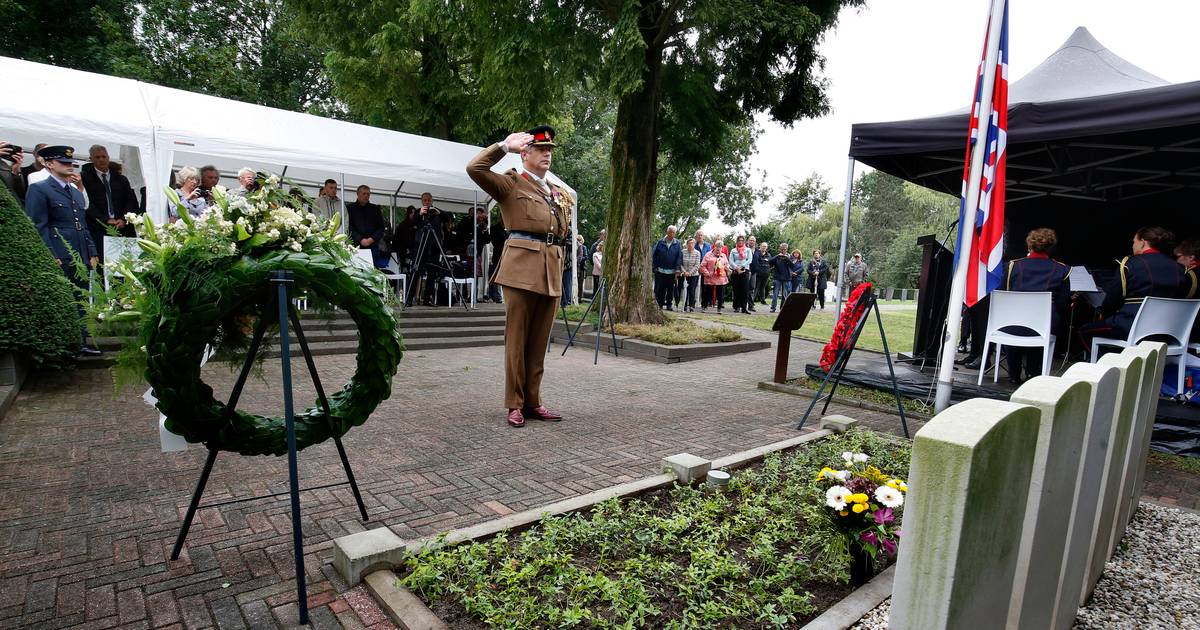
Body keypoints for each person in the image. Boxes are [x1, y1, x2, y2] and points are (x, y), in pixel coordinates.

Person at [466, 125, 570, 428]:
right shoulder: (511, 183)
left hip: (551, 270)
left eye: (549, 150)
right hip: (521, 269)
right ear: (525, 153)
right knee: (517, 339)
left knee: (538, 342)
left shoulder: (558, 192)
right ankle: (514, 403)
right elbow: (475, 168)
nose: (547, 154)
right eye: (540, 149)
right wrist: (502, 146)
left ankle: (534, 401)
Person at [23, 146, 101, 356]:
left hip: (80, 251)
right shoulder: (39, 189)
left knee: (81, 296)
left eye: (70, 163)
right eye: (63, 163)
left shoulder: (75, 192)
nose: (69, 166)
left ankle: (81, 340)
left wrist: (92, 250)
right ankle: (65, 343)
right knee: (63, 297)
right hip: (59, 250)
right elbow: (38, 225)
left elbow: (82, 224)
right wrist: (50, 253)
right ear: (49, 164)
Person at [1079, 226, 1186, 357]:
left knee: (1084, 331)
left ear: (1143, 242)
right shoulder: (1181, 269)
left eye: (1134, 242)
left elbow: (1112, 300)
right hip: (1168, 331)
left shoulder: (1129, 264)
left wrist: (1103, 312)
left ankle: (1110, 365)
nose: (1133, 245)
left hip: (1131, 327)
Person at [999, 228, 1071, 384]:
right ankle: (1033, 373)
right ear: (1051, 247)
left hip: (1013, 325)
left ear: (1029, 246)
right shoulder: (1062, 269)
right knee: (1046, 322)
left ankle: (1014, 374)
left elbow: (1003, 293)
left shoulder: (1013, 266)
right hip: (1043, 326)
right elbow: (1063, 303)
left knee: (1014, 323)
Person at [82, 145, 140, 259]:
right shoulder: (86, 178)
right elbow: (86, 203)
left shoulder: (120, 179)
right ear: (91, 159)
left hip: (122, 228)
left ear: (108, 157)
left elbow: (130, 201)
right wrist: (105, 220)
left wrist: (124, 219)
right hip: (99, 228)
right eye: (97, 157)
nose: (101, 160)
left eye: (104, 156)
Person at [347, 185, 389, 269]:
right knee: (357, 272)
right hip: (356, 246)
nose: (366, 196)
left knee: (373, 272)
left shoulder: (375, 209)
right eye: (364, 193)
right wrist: (360, 239)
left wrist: (371, 239)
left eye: (368, 194)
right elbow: (348, 226)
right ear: (358, 194)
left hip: (373, 247)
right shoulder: (350, 208)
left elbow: (381, 227)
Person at [652, 225, 683, 311]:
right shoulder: (660, 242)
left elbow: (679, 257)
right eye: (670, 232)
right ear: (667, 232)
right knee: (660, 288)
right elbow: (654, 255)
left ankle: (669, 304)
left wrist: (677, 270)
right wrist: (655, 267)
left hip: (672, 271)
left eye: (673, 232)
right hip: (660, 270)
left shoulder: (677, 243)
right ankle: (660, 304)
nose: (672, 234)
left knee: (670, 289)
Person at [699, 238, 730, 313]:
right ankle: (704, 306)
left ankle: (719, 308)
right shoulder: (708, 254)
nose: (719, 248)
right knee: (707, 293)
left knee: (720, 294)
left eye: (720, 247)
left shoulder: (723, 256)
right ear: (714, 247)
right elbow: (702, 266)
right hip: (710, 277)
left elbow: (727, 264)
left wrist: (727, 268)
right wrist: (707, 273)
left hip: (721, 278)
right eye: (717, 246)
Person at [728, 235, 753, 314]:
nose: (740, 242)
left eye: (742, 240)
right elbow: (731, 261)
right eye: (739, 240)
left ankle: (744, 308)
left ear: (744, 241)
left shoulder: (748, 250)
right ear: (737, 241)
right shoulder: (733, 250)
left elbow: (749, 260)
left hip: (744, 270)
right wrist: (736, 268)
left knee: (745, 290)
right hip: (736, 271)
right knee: (736, 289)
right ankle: (737, 306)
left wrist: (742, 266)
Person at [680, 238, 701, 312]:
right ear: (687, 244)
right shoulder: (683, 252)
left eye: (692, 243)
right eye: (689, 243)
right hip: (684, 274)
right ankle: (684, 305)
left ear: (694, 244)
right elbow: (680, 263)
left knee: (692, 291)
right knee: (684, 290)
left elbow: (697, 264)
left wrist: (690, 273)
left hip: (694, 275)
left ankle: (691, 306)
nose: (691, 245)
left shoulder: (697, 253)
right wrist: (684, 272)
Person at [770, 243, 793, 313]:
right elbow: (769, 262)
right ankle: (773, 308)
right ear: (780, 249)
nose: (783, 251)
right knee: (775, 294)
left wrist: (787, 259)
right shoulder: (777, 257)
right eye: (782, 249)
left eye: (785, 249)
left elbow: (793, 265)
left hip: (786, 278)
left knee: (784, 295)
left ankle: (782, 308)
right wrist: (777, 256)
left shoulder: (789, 256)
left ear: (787, 249)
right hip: (777, 278)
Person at [695, 230, 712, 309]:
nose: (700, 236)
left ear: (703, 236)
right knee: (694, 285)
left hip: (705, 268)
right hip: (695, 268)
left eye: (701, 235)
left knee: (704, 286)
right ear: (696, 237)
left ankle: (704, 304)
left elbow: (710, 257)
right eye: (698, 235)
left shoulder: (708, 246)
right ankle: (692, 302)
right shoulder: (693, 245)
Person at [752, 241, 770, 306]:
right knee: (756, 287)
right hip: (758, 274)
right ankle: (752, 300)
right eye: (763, 246)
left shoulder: (768, 254)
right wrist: (764, 261)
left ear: (766, 248)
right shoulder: (757, 253)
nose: (764, 247)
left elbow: (770, 262)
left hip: (766, 274)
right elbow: (757, 262)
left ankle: (763, 300)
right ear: (760, 246)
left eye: (765, 246)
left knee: (763, 288)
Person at [575, 234, 587, 301]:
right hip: (576, 267)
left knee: (580, 283)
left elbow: (586, 257)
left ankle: (580, 298)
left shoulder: (584, 247)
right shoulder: (575, 247)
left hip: (581, 267)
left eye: (579, 240)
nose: (577, 241)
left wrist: (579, 259)